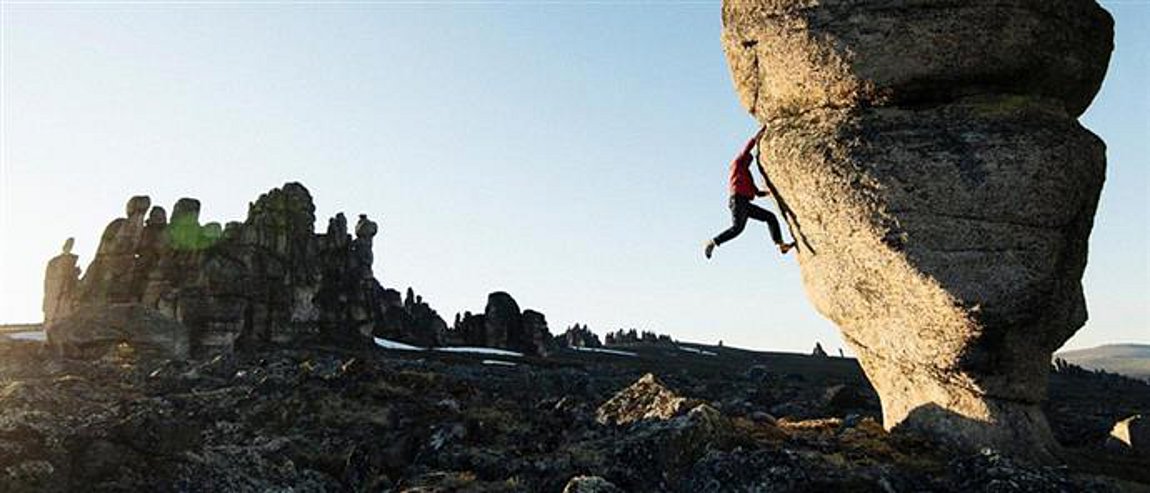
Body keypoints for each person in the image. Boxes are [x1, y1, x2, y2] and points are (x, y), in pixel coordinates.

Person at [705, 126, 795, 259]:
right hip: (737, 201)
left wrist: (772, 191)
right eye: (749, 160)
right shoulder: (738, 164)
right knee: (737, 228)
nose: (749, 161)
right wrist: (759, 134)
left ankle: (780, 244)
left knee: (770, 217)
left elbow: (757, 193)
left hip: (745, 204)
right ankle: (713, 242)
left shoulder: (748, 175)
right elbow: (746, 149)